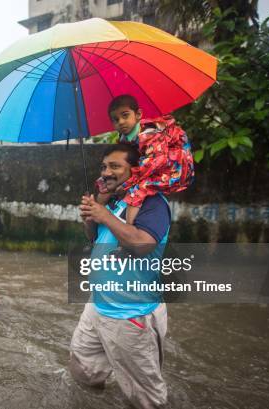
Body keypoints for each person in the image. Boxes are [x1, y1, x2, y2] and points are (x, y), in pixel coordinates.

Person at [71, 144, 172, 408]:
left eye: (115, 166)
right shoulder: (117, 201)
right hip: (97, 304)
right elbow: (93, 238)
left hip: (130, 313)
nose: (106, 172)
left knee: (145, 399)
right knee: (84, 369)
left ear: (135, 169)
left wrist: (104, 215)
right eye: (104, 166)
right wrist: (93, 216)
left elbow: (141, 244)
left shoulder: (152, 203)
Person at [98, 94, 193, 226]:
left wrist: (127, 184)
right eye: (115, 119)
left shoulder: (150, 135)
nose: (120, 122)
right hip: (151, 166)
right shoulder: (124, 137)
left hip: (172, 169)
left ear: (138, 114)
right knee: (107, 182)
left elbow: (153, 163)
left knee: (137, 191)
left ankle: (129, 227)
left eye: (125, 115)